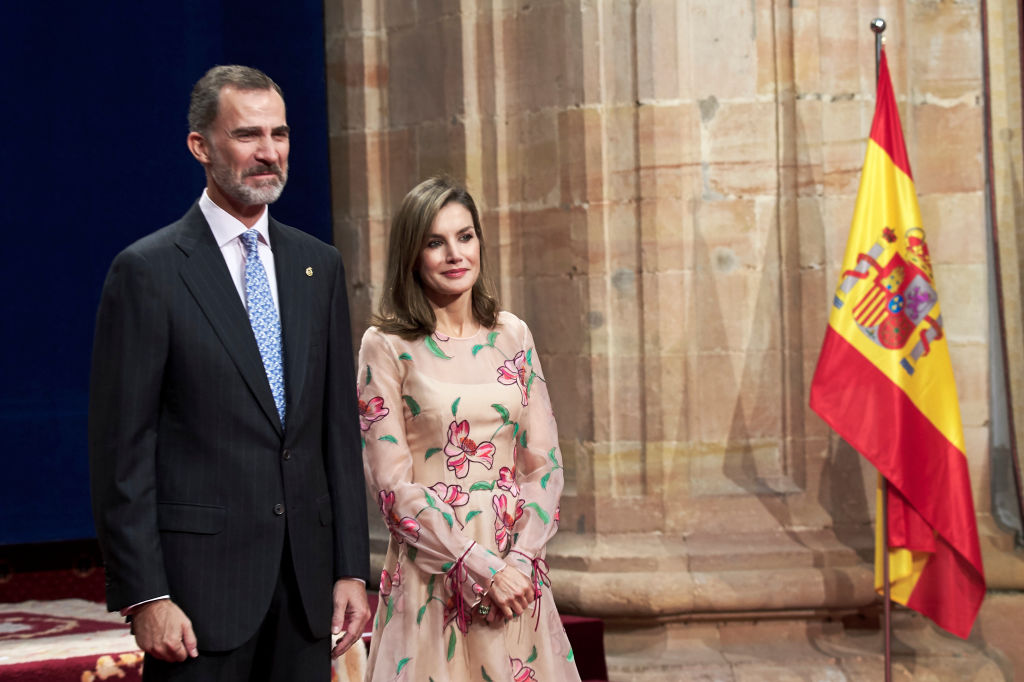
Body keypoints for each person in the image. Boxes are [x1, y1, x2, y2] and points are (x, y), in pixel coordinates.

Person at [88, 65, 370, 681]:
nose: (269, 152)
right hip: (197, 598)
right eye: (247, 135)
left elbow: (336, 434)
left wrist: (351, 566)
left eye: (280, 134)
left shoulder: (317, 267)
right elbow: (122, 453)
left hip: (306, 591)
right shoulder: (149, 271)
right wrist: (146, 596)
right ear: (201, 146)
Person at [358, 176, 581, 680]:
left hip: (517, 572)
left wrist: (520, 561)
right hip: (434, 570)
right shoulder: (386, 345)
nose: (455, 254)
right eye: (435, 242)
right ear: (412, 255)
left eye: (465, 236)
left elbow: (544, 464)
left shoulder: (512, 333)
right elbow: (392, 488)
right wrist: (480, 566)